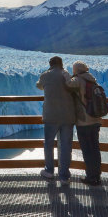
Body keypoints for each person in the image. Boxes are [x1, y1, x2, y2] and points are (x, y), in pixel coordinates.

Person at [36, 56, 75, 184]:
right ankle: (64, 176)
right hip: (68, 116)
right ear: (61, 64)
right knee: (65, 146)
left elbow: (39, 86)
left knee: (48, 144)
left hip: (50, 116)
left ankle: (49, 171)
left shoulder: (45, 75)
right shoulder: (66, 74)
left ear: (50, 64)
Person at [67, 61, 103, 186]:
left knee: (87, 150)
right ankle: (97, 176)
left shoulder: (78, 80)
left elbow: (66, 85)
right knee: (95, 148)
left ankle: (91, 177)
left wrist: (65, 75)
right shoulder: (92, 80)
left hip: (84, 122)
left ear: (76, 70)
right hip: (96, 120)